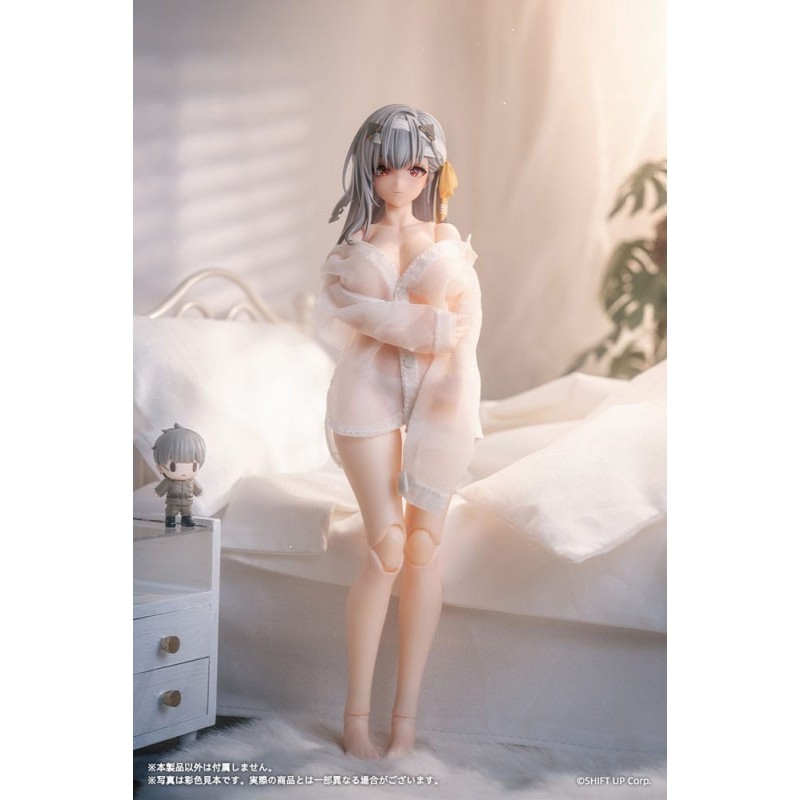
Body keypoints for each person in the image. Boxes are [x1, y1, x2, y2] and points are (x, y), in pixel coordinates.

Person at [315, 104, 483, 758]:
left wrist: (455, 379)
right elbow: (354, 314)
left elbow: (468, 328)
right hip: (366, 393)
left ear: (432, 171)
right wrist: (431, 328)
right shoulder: (350, 250)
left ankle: (404, 722)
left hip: (442, 395)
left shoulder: (449, 240)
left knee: (421, 548)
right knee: (386, 548)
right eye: (387, 166)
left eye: (416, 168)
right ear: (368, 169)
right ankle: (356, 718)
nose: (400, 180)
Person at [152, 423, 206, 528]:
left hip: (187, 502)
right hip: (173, 502)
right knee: (171, 511)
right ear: (160, 467)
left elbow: (197, 489)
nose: (183, 472)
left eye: (193, 466)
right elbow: (161, 488)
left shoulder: (191, 481)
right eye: (173, 466)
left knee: (187, 511)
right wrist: (158, 492)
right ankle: (170, 519)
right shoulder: (169, 482)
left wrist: (199, 491)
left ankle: (187, 519)